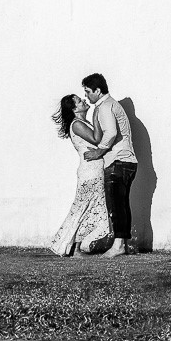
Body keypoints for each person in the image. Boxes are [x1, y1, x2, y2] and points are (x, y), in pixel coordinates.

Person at [80, 73, 138, 258]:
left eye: (88, 91)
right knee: (121, 204)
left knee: (117, 205)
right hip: (126, 162)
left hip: (118, 162)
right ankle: (123, 244)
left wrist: (99, 151)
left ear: (98, 90)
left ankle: (119, 245)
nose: (86, 96)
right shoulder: (110, 104)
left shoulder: (105, 106)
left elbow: (111, 132)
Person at [48, 94, 113, 257]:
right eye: (79, 101)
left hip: (94, 169)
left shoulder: (83, 123)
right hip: (89, 172)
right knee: (84, 208)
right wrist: (97, 116)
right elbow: (97, 139)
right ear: (74, 109)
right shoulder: (77, 124)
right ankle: (75, 248)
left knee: (88, 208)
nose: (84, 101)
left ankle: (75, 246)